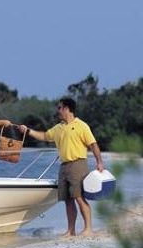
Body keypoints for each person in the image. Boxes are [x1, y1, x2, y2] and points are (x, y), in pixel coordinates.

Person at [18, 97, 104, 237]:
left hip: (78, 165)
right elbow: (45, 136)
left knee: (79, 197)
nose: (57, 111)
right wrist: (28, 131)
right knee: (67, 200)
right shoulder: (58, 128)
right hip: (63, 167)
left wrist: (99, 162)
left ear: (66, 109)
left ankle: (88, 229)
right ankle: (71, 231)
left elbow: (93, 144)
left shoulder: (82, 125)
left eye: (59, 108)